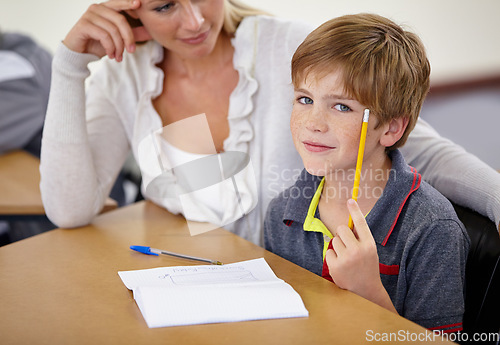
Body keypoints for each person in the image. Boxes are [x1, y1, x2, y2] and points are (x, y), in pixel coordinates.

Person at [40, 0, 500, 246]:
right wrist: (68, 65)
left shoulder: (288, 49)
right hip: (199, 286)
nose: (197, 20)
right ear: (129, 10)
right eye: (165, 6)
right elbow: (70, 209)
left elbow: (420, 148)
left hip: (308, 295)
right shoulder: (126, 78)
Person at [264, 13, 469, 331]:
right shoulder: (282, 214)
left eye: (341, 106)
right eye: (305, 99)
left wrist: (369, 292)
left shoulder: (431, 228)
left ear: (390, 128)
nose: (312, 123)